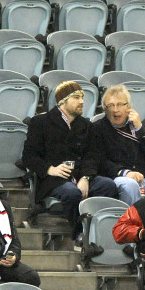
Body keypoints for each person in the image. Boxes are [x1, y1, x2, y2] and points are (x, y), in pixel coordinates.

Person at [19, 81, 118, 236]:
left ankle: (101, 231)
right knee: (72, 193)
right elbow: (29, 156)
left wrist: (85, 177)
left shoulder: (87, 125)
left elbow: (92, 156)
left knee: (108, 186)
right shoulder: (40, 123)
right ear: (63, 101)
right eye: (77, 97)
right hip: (52, 180)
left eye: (82, 97)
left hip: (80, 175)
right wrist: (50, 169)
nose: (82, 101)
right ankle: (81, 234)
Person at [89, 85, 145, 205]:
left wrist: (140, 129)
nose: (115, 110)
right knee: (130, 185)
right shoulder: (98, 128)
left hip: (144, 178)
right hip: (117, 177)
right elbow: (100, 160)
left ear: (128, 106)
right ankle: (130, 218)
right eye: (110, 105)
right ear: (105, 108)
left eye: (120, 104)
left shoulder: (139, 125)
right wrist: (125, 173)